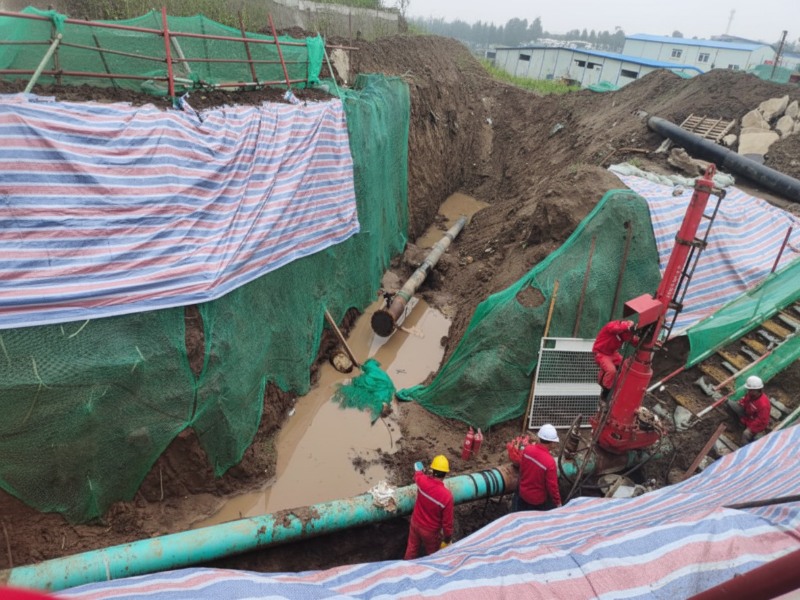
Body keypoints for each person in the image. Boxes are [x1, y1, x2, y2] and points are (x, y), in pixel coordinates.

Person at [404, 454, 454, 559]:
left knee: (412, 548)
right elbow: (447, 523)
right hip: (430, 532)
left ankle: (405, 568)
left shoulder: (422, 482)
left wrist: (420, 469)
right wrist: (447, 539)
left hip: (415, 523)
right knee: (434, 555)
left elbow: (417, 474)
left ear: (433, 471)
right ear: (445, 474)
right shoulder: (446, 496)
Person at [513, 424, 562, 512]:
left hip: (522, 494)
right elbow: (552, 486)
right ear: (552, 442)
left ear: (539, 438)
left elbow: (522, 471)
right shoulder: (550, 462)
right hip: (536, 502)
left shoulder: (527, 450)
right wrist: (558, 503)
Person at [592, 319, 639, 400]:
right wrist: (628, 327)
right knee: (611, 370)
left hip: (612, 353)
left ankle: (615, 385)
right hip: (600, 353)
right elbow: (614, 328)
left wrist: (642, 339)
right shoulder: (612, 325)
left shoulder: (626, 333)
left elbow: (634, 341)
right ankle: (605, 392)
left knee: (625, 365)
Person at [726, 375, 771, 444]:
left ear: (757, 390)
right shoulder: (750, 395)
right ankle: (734, 425)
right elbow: (745, 401)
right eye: (748, 390)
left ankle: (745, 448)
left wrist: (748, 426)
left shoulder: (763, 405)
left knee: (745, 434)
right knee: (730, 404)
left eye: (750, 390)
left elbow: (761, 420)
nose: (748, 391)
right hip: (747, 415)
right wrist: (741, 403)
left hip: (756, 424)